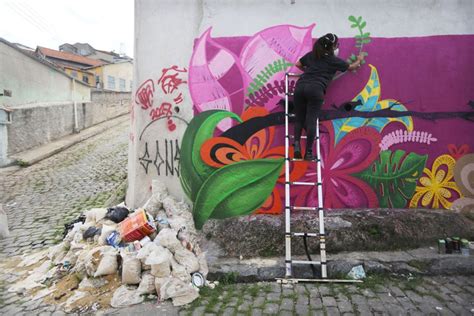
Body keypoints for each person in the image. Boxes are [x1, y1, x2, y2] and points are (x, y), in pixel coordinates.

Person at [293, 33, 364, 160]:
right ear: (332, 47)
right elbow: (352, 67)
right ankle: (308, 153)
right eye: (336, 45)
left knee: (299, 118)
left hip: (300, 87)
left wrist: (309, 71)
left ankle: (297, 146)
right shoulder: (333, 61)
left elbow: (298, 64)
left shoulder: (312, 55)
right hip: (315, 89)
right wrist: (359, 58)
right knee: (311, 120)